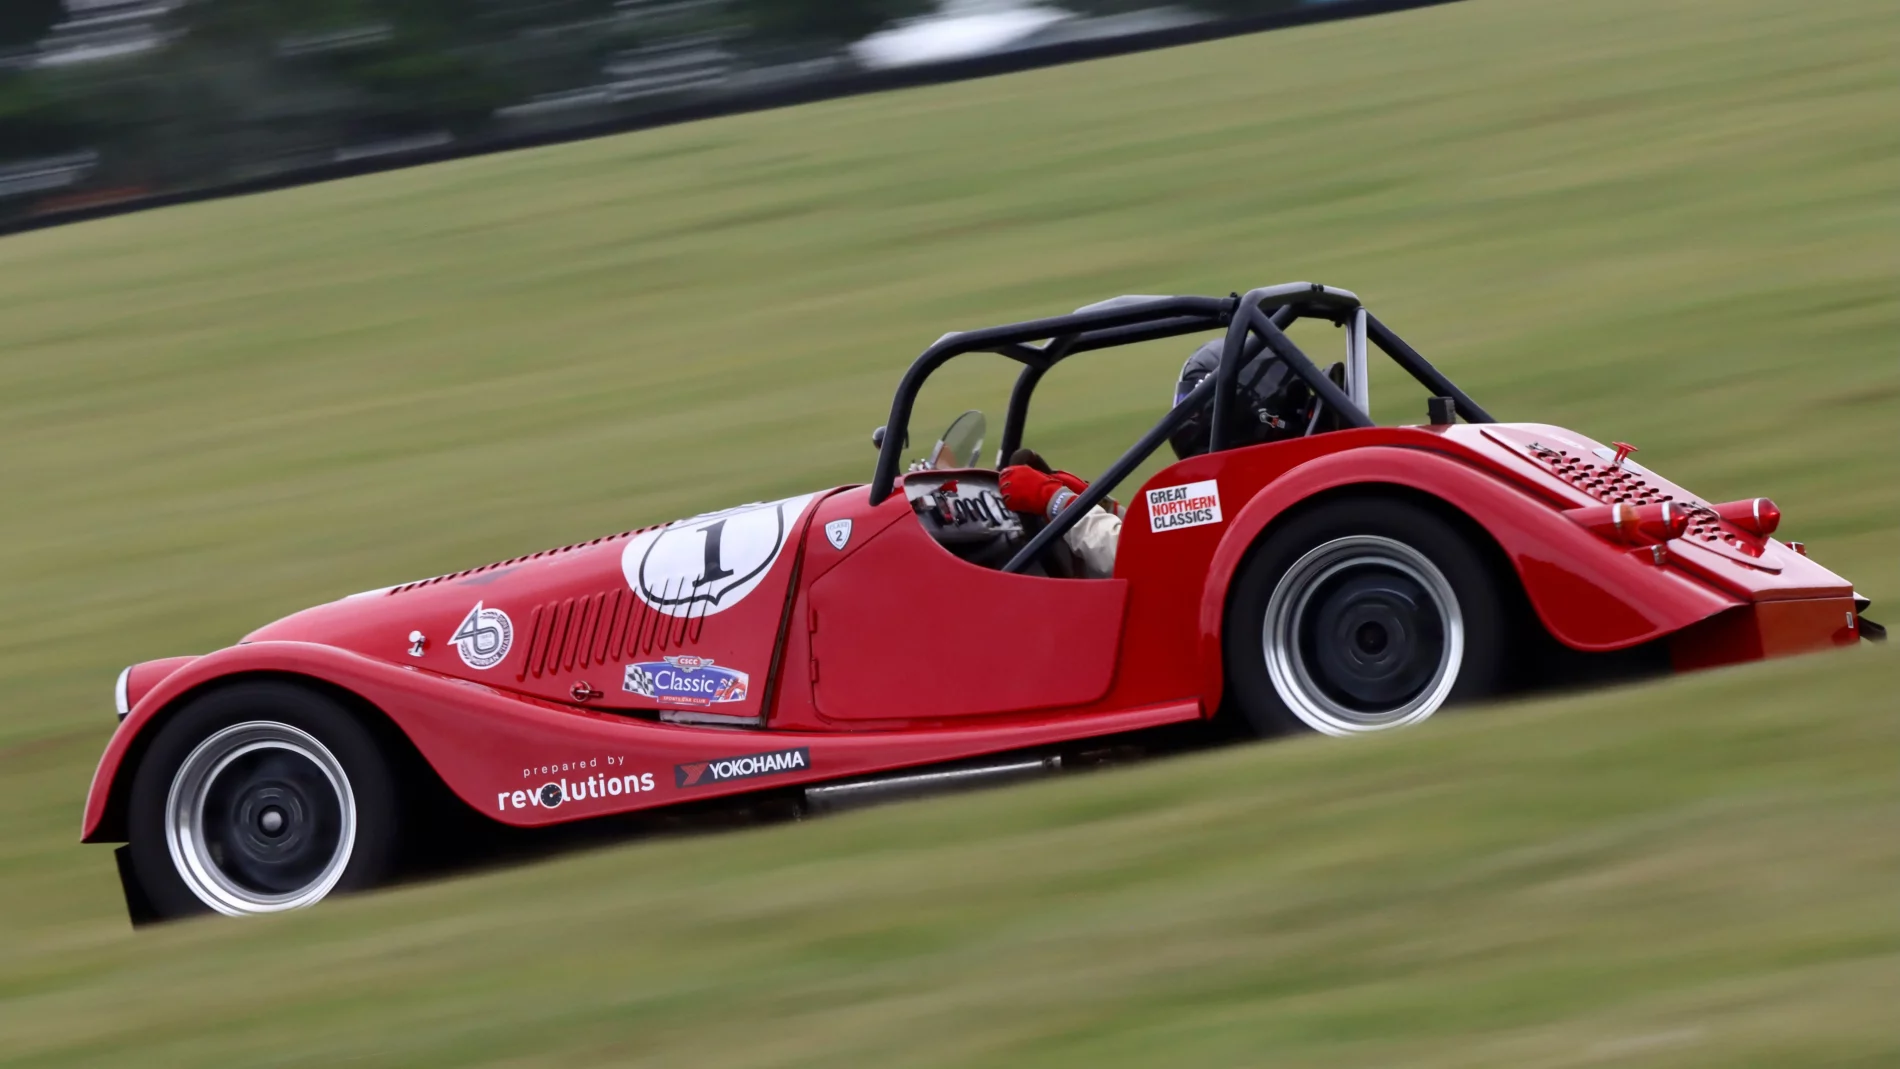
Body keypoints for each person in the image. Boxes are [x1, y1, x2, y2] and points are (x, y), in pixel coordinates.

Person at [997, 338, 1315, 578]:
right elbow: (1163, 536)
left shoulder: (1229, 492)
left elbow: (1137, 556)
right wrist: (1101, 505)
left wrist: (1055, 501)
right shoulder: (1274, 479)